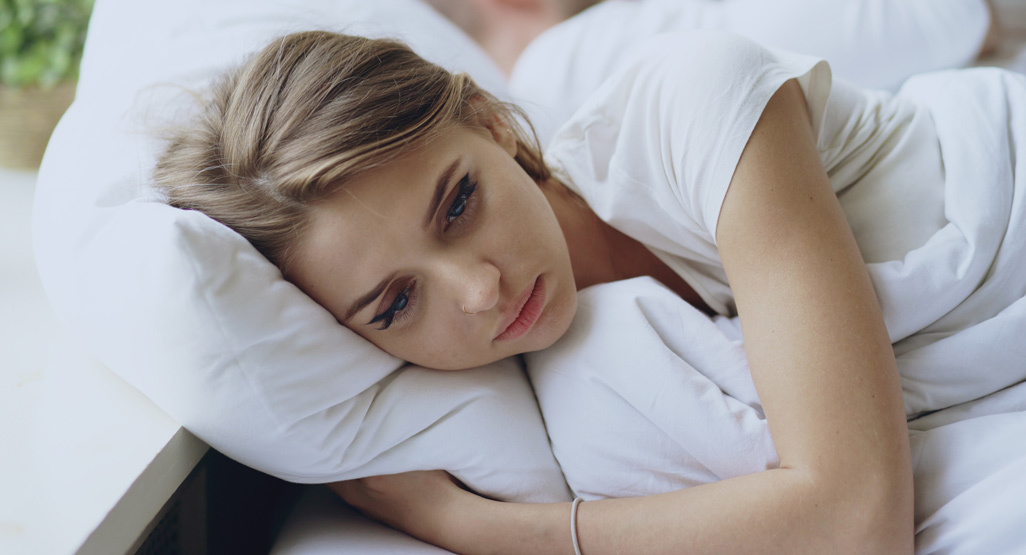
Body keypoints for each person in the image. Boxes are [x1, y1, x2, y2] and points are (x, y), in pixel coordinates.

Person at [152, 27, 1026, 553]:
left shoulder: (691, 104)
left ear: (494, 123)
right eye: (394, 303)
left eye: (458, 204)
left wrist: (485, 532)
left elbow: (854, 521)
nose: (482, 289)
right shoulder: (560, 380)